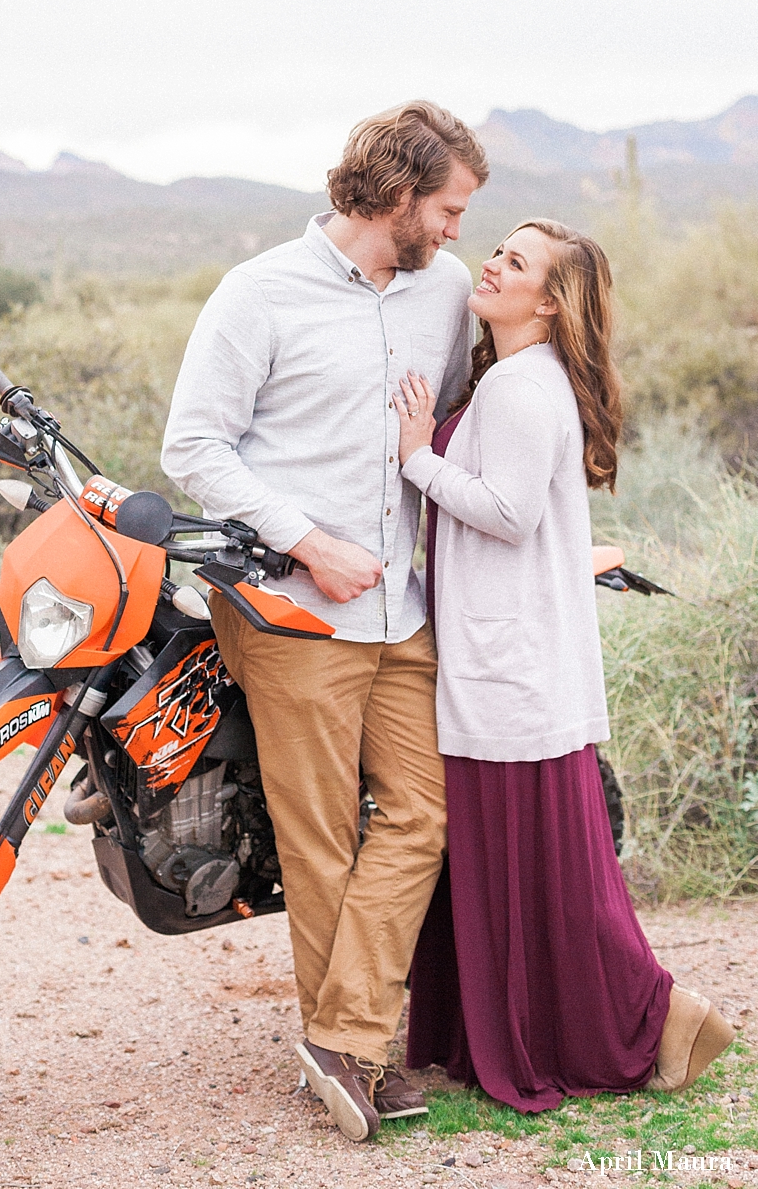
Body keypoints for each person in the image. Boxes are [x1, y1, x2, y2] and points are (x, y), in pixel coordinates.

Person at [161, 101, 488, 1141]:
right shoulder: (257, 292)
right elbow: (194, 447)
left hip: (403, 607)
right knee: (316, 843)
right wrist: (308, 539)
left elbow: (449, 420)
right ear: (395, 195)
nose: (452, 229)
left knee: (425, 813)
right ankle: (354, 1053)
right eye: (444, 207)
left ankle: (340, 1036)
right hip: (293, 610)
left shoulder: (442, 292)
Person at [394, 219, 734, 1111]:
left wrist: (415, 458)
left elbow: (503, 513)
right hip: (513, 654)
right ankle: (594, 1018)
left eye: (516, 262)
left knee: (539, 873)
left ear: (548, 301)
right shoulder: (518, 378)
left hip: (508, 663)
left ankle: (651, 1012)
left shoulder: (517, 388)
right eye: (497, 250)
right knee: (539, 870)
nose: (493, 264)